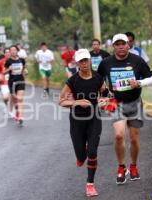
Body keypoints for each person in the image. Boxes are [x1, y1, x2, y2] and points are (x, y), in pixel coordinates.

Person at [97, 33, 152, 185]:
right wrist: (101, 95)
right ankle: (121, 167)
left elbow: (151, 78)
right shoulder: (106, 62)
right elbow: (98, 80)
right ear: (113, 46)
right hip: (117, 103)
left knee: (134, 139)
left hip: (135, 103)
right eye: (118, 44)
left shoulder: (137, 60)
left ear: (128, 45)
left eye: (124, 43)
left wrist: (139, 83)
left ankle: (133, 166)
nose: (121, 46)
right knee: (119, 136)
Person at [59, 49, 104, 197]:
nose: (84, 63)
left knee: (92, 151)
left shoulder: (98, 77)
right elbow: (61, 101)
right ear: (77, 63)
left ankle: (90, 184)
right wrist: (77, 102)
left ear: (90, 60)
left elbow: (105, 94)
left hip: (94, 118)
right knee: (82, 155)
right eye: (81, 61)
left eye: (86, 60)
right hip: (77, 120)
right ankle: (80, 156)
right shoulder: (73, 80)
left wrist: (105, 100)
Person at [5, 45, 28, 125]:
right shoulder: (8, 61)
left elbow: (24, 68)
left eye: (15, 50)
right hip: (12, 82)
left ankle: (21, 116)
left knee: (20, 99)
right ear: (10, 52)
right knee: (15, 99)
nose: (13, 51)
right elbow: (4, 72)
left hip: (21, 81)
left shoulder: (21, 60)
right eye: (12, 50)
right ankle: (17, 111)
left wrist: (25, 71)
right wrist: (9, 69)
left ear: (17, 51)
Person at [0, 48, 11, 115]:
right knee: (5, 98)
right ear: (4, 54)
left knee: (12, 96)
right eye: (6, 52)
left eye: (9, 52)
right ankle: (7, 106)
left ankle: (11, 110)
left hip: (13, 81)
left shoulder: (14, 60)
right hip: (4, 82)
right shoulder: (0, 62)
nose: (8, 53)